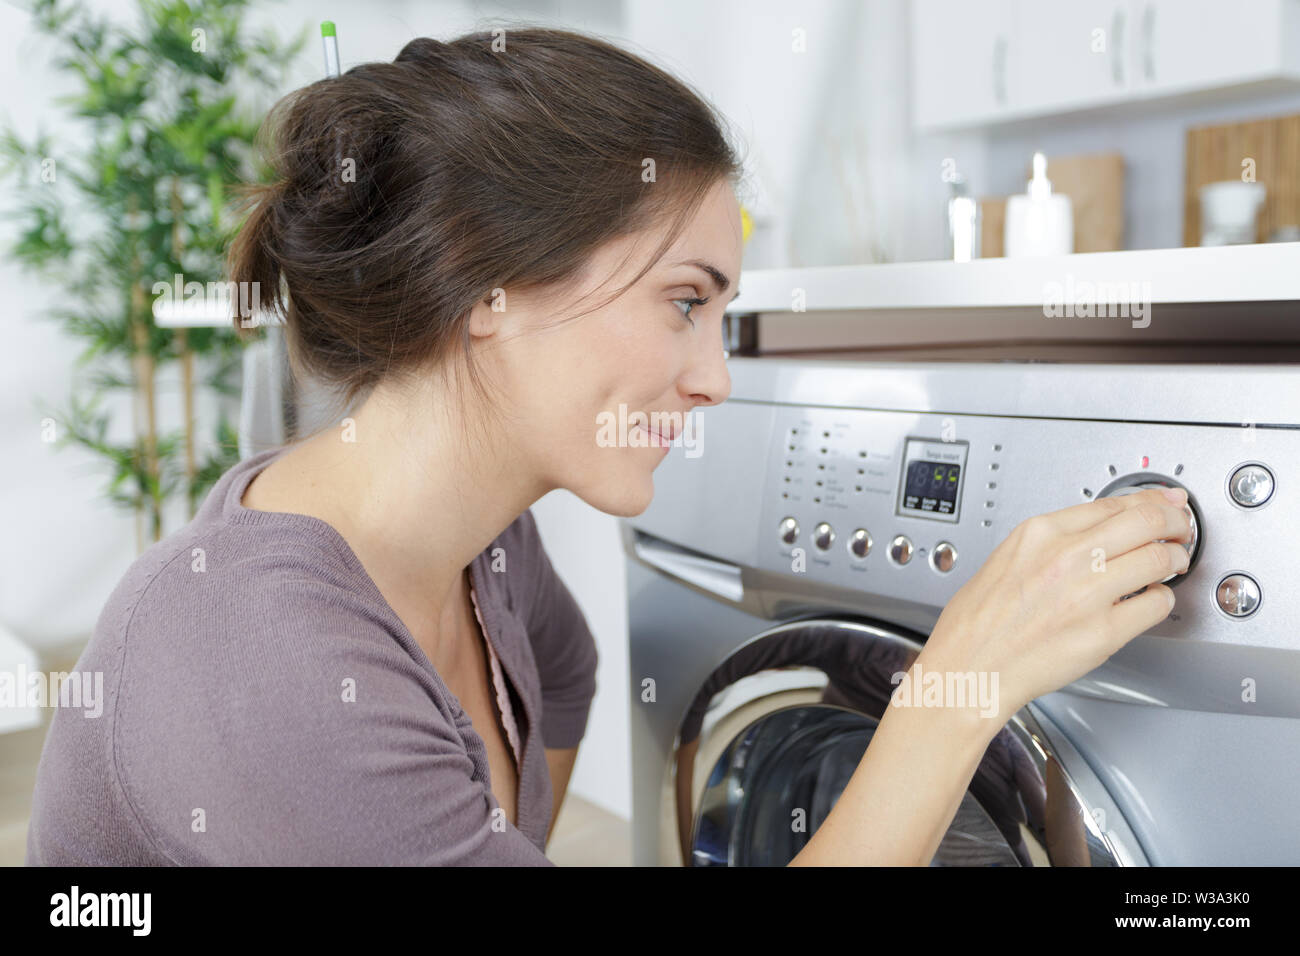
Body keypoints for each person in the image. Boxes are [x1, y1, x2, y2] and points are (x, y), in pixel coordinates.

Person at [25, 25, 1191, 866]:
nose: (716, 376)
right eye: (685, 300)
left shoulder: (484, 543)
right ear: (487, 283)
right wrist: (954, 686)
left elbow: (567, 668)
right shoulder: (269, 665)